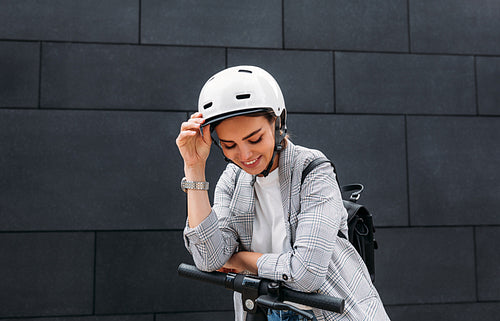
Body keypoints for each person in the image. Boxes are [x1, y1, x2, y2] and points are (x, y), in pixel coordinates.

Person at [176, 65, 390, 321]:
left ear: (279, 122)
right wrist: (194, 168)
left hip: (330, 314)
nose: (245, 156)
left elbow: (307, 274)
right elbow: (209, 258)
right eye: (230, 145)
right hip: (266, 311)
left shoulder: (313, 169)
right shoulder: (233, 179)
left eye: (255, 139)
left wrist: (242, 260)